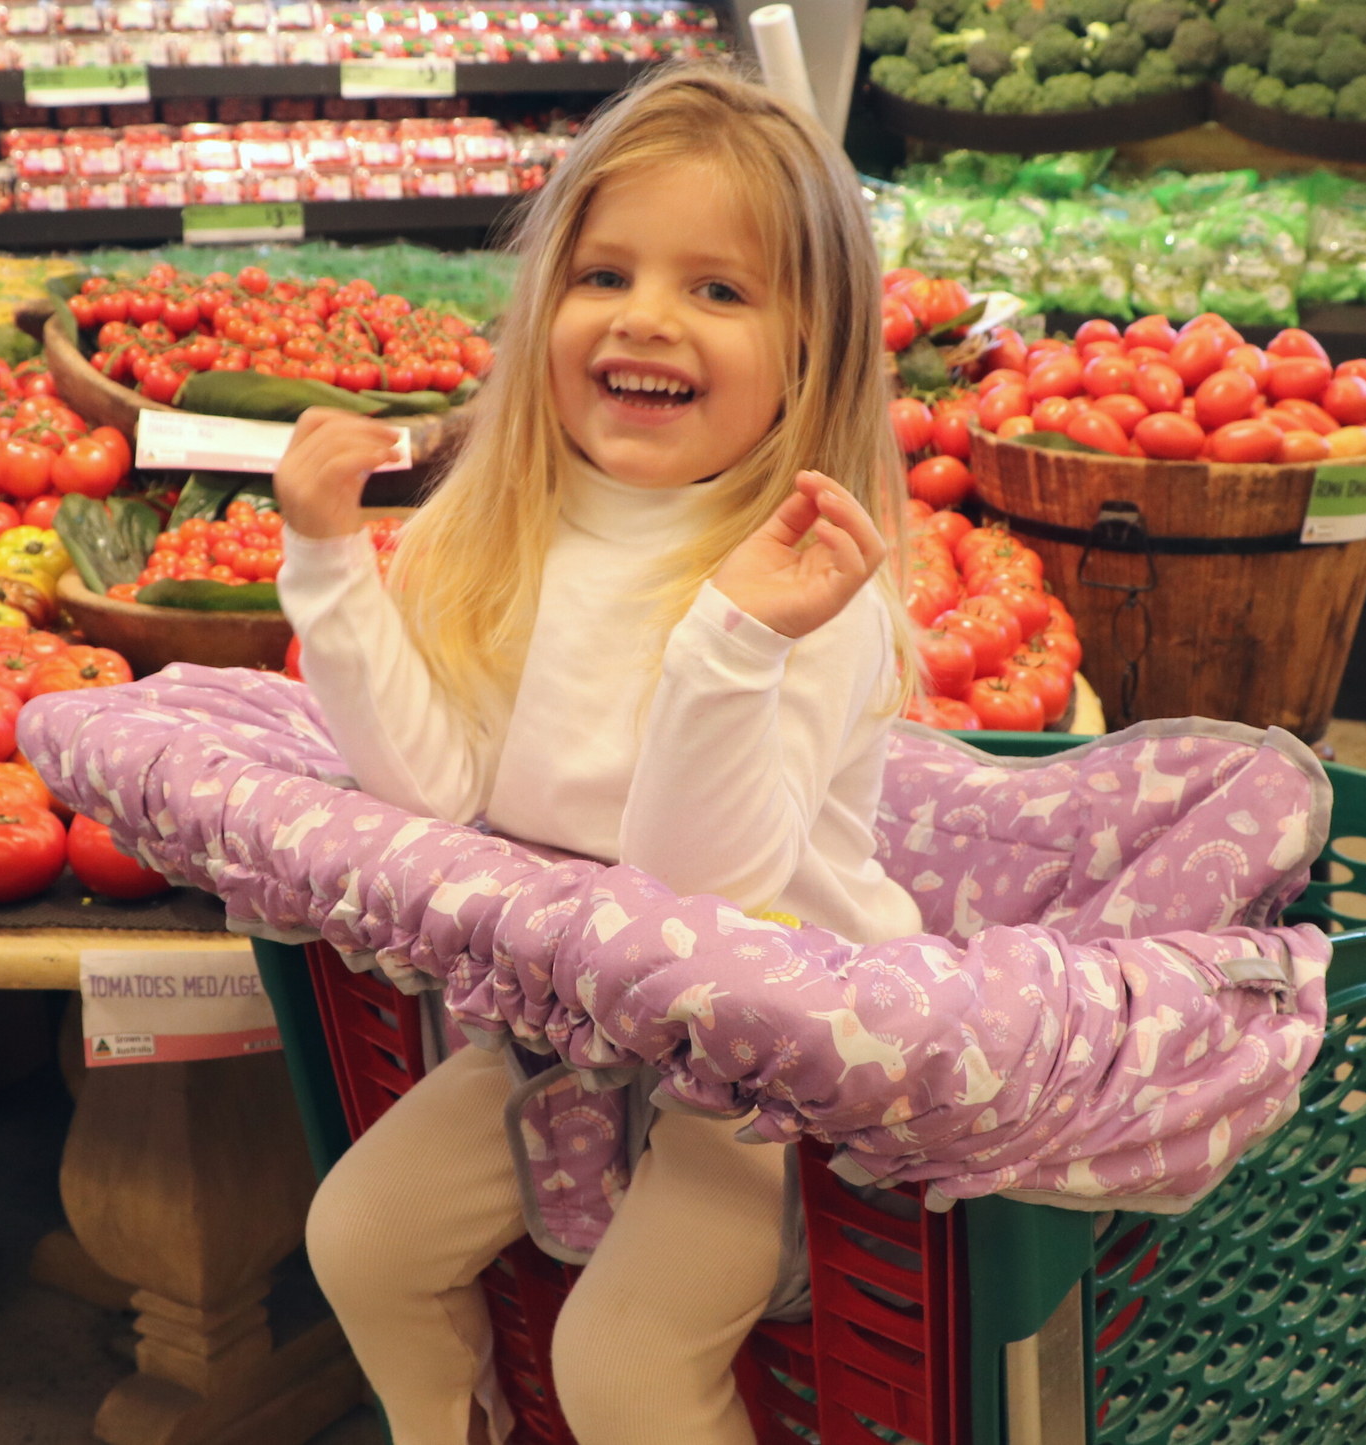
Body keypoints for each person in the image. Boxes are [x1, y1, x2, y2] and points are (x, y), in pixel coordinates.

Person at [274, 63, 922, 1445]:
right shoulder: (502, 526)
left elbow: (708, 891)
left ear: (814, 351)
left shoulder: (812, 592)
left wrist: (733, 638)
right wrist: (331, 566)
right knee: (359, 1236)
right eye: (604, 273)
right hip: (560, 1031)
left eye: (721, 290)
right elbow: (438, 788)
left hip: (764, 1072)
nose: (646, 318)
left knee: (625, 1363)